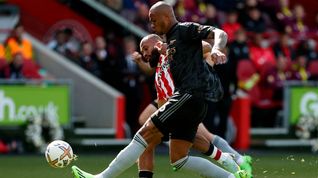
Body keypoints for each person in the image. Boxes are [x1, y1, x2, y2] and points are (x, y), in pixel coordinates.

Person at [72, 2, 248, 178]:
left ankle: (102, 177)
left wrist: (216, 49)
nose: (152, 25)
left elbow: (218, 35)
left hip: (187, 95)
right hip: (190, 100)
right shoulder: (168, 49)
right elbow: (156, 64)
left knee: (145, 134)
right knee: (179, 159)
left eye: (154, 20)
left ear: (165, 17)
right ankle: (232, 175)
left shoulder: (183, 30)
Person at [133, 34, 253, 178]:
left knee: (202, 137)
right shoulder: (164, 52)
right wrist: (140, 61)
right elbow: (150, 69)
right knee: (145, 128)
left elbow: (206, 56)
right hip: (166, 99)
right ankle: (174, 143)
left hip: (182, 100)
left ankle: (237, 160)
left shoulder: (189, 51)